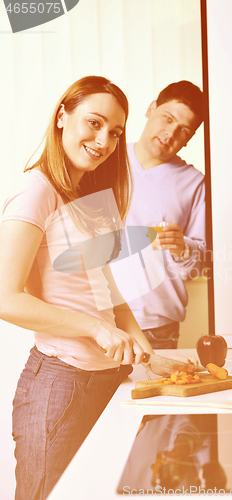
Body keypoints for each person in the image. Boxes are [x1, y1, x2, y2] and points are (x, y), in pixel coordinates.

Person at [0, 76, 159, 500]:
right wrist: (95, 328)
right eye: (94, 122)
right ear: (61, 116)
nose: (103, 139)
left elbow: (107, 292)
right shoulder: (36, 191)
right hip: (59, 386)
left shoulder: (87, 199)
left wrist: (141, 344)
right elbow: (6, 298)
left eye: (115, 132)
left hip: (107, 380)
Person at [125, 81, 206, 349]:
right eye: (167, 118)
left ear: (189, 138)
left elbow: (199, 264)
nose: (170, 133)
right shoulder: (105, 159)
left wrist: (183, 248)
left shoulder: (194, 184)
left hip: (157, 325)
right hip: (96, 318)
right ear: (151, 109)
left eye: (183, 130)